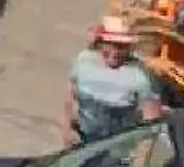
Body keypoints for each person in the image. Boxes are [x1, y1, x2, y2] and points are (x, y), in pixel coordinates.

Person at [65, 16, 164, 144]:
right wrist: (67, 131)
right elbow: (70, 98)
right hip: (83, 141)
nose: (115, 52)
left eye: (121, 47)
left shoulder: (141, 77)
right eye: (111, 45)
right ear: (101, 43)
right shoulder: (84, 61)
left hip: (118, 148)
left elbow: (151, 125)